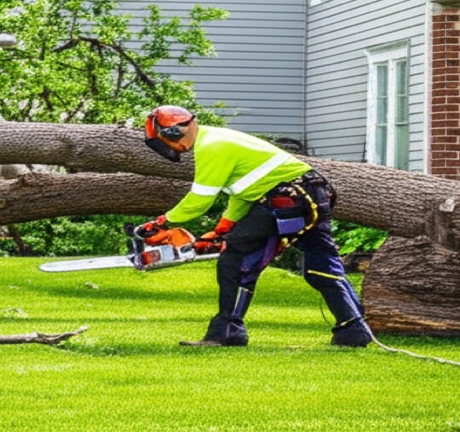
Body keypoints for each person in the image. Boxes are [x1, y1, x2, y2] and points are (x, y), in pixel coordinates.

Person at [138, 105, 373, 347]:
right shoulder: (216, 138)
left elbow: (199, 200)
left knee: (236, 259)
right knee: (320, 263)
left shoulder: (211, 147)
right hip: (312, 194)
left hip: (288, 197)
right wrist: (222, 229)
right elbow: (242, 193)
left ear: (174, 133)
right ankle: (353, 330)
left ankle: (228, 331)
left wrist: (161, 223)